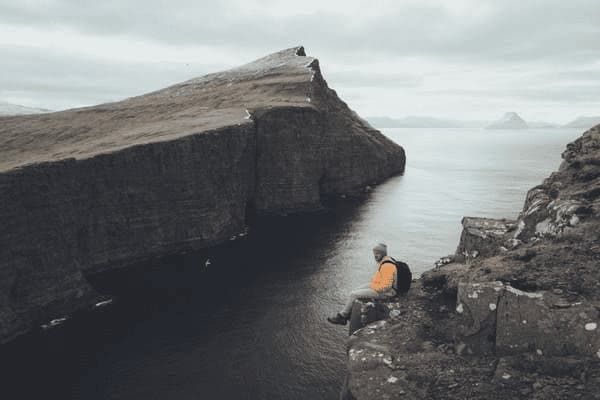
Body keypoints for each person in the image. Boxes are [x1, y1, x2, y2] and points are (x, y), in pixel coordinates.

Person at [327, 243, 397, 325]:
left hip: (386, 293)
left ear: (382, 254)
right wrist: (373, 284)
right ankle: (349, 313)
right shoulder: (385, 261)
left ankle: (342, 317)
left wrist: (373, 287)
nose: (375, 256)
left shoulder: (387, 266)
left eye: (377, 254)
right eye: (374, 254)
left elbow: (386, 286)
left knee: (354, 294)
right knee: (354, 291)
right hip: (377, 286)